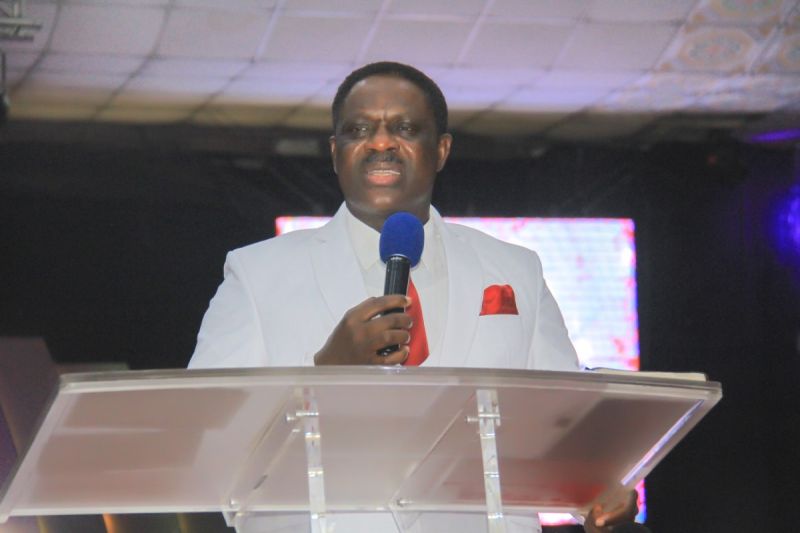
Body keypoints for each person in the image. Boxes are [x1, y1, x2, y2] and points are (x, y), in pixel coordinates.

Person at [190, 62, 640, 533]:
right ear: (335, 153)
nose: (380, 143)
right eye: (358, 130)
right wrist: (323, 372)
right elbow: (208, 447)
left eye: (404, 128)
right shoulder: (257, 273)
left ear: (441, 150)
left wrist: (599, 488)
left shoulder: (516, 269)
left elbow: (562, 425)